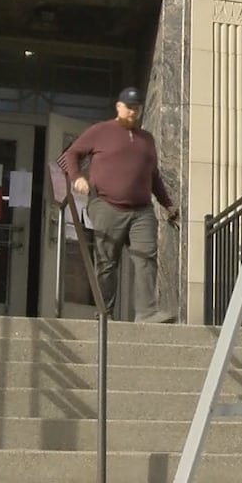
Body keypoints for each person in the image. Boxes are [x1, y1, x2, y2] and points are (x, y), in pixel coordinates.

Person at [59, 86, 179, 323]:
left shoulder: (147, 139)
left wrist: (167, 204)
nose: (133, 113)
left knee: (146, 256)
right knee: (106, 262)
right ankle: (104, 313)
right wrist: (77, 178)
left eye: (137, 108)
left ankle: (146, 313)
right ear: (119, 107)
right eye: (129, 108)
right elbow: (72, 154)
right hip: (106, 204)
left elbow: (153, 175)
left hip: (142, 210)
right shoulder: (100, 131)